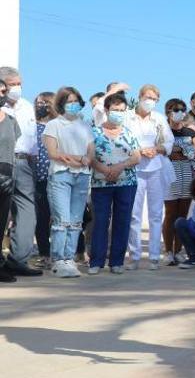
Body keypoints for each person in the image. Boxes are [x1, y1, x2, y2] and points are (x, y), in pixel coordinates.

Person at [96, 83, 174, 271]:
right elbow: (104, 116)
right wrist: (138, 151)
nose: (150, 102)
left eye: (154, 99)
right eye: (147, 97)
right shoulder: (127, 115)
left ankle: (154, 256)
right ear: (139, 97)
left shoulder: (159, 118)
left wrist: (157, 149)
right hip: (132, 168)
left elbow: (169, 140)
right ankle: (134, 256)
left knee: (156, 213)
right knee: (133, 214)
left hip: (155, 167)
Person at [43, 86, 94, 278]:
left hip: (82, 177)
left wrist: (85, 160)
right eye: (69, 101)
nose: (73, 105)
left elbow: (91, 151)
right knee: (61, 220)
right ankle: (58, 260)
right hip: (61, 175)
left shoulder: (85, 125)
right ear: (61, 104)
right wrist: (77, 159)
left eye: (76, 101)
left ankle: (69, 258)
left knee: (75, 221)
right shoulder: (54, 125)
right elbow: (53, 153)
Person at [88, 92, 141, 275]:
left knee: (123, 221)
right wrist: (104, 169)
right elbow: (90, 157)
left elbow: (136, 157)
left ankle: (117, 261)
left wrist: (120, 167)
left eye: (122, 110)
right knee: (101, 222)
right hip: (101, 184)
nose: (118, 113)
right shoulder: (94, 132)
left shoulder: (129, 133)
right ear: (106, 110)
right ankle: (96, 261)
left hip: (126, 183)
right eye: (115, 110)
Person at [0, 67, 43, 277]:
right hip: (3, 162)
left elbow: (32, 138)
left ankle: (18, 259)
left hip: (25, 163)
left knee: (27, 211)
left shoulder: (26, 106)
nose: (17, 88)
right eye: (12, 83)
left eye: (19, 83)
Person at [163, 99, 195, 265]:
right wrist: (182, 152)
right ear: (168, 112)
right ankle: (168, 251)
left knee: (182, 215)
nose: (178, 112)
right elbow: (162, 151)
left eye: (181, 109)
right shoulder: (163, 132)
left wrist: (180, 151)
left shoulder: (191, 132)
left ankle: (178, 250)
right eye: (174, 109)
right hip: (169, 175)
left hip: (187, 175)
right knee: (170, 213)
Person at [32, 91, 56, 268]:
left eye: (45, 103)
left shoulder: (58, 126)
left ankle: (74, 252)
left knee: (62, 217)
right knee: (41, 217)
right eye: (38, 103)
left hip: (58, 177)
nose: (41, 106)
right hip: (38, 178)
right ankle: (44, 253)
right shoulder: (31, 125)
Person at [0, 79, 21, 283]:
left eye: (4, 91)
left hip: (7, 173)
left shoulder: (11, 120)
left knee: (2, 221)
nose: (2, 93)